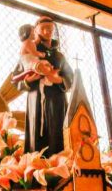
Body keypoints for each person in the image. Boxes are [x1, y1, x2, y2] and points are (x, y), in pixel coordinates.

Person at [12, 16, 74, 158]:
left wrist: (57, 79)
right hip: (36, 100)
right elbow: (15, 80)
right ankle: (37, 169)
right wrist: (28, 81)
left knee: (58, 133)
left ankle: (60, 166)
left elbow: (70, 78)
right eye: (44, 29)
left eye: (50, 29)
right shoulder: (28, 52)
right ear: (36, 30)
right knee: (36, 138)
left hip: (56, 100)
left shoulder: (59, 56)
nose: (48, 32)